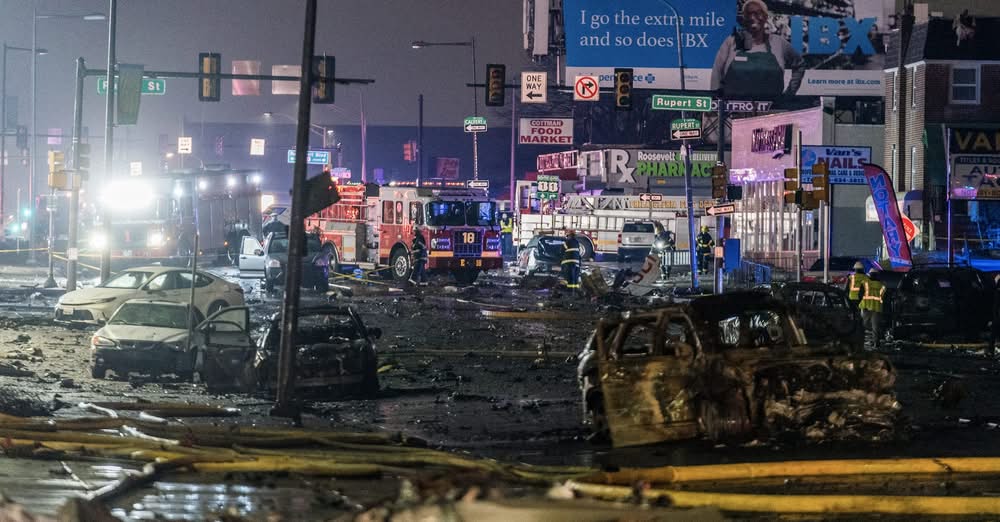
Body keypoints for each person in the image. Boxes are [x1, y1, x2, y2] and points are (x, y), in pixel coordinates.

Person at [710, 0, 805, 101]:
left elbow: (800, 65)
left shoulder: (779, 43)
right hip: (734, 110)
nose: (753, 17)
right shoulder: (731, 42)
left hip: (772, 111)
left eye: (758, 13)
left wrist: (789, 94)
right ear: (743, 18)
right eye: (748, 14)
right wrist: (716, 101)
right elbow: (717, 73)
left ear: (765, 17)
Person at [859, 269, 886, 349]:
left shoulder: (865, 283)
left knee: (863, 326)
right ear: (877, 275)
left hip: (866, 307)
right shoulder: (882, 285)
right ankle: (876, 343)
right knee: (875, 327)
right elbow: (884, 296)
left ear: (869, 275)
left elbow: (860, 294)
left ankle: (861, 342)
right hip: (877, 308)